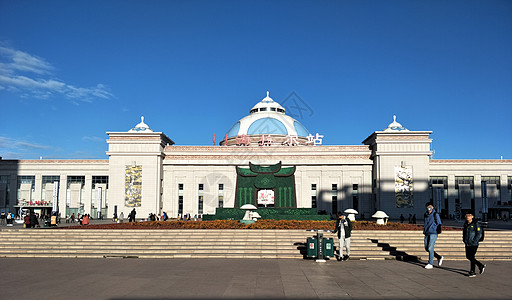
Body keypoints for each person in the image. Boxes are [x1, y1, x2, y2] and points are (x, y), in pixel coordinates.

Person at [463, 212, 486, 277]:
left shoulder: (476, 223)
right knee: (469, 256)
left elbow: (479, 233)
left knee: (471, 256)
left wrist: (475, 240)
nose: (468, 217)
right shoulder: (466, 223)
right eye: (467, 215)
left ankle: (473, 271)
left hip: (473, 244)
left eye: (469, 215)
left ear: (472, 216)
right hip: (467, 243)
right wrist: (464, 240)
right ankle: (480, 266)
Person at [423, 202, 443, 269]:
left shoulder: (435, 214)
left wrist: (435, 228)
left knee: (430, 248)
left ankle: (430, 263)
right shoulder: (425, 215)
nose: (429, 208)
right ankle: (439, 257)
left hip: (433, 233)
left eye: (430, 206)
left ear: (433, 207)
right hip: (427, 232)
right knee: (426, 248)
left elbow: (439, 223)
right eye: (428, 206)